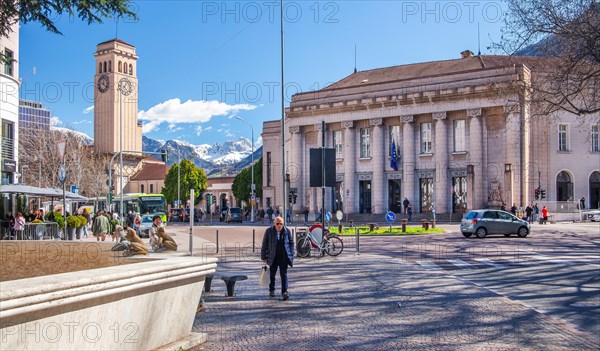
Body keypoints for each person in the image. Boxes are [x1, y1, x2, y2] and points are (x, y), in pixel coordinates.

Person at [261, 216, 294, 301]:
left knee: (284, 275)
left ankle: (285, 292)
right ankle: (272, 289)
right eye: (277, 223)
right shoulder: (269, 231)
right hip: (273, 257)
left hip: (284, 257)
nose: (279, 225)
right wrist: (263, 257)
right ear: (274, 224)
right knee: (272, 275)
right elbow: (264, 244)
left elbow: (291, 243)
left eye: (281, 224)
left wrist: (291, 254)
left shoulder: (287, 231)